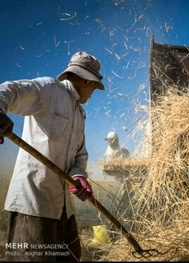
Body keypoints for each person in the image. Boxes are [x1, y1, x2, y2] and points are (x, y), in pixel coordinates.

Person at [0, 51, 105, 261]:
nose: (93, 92)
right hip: (34, 207)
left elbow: (79, 157)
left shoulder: (80, 114)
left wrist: (79, 176)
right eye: (93, 86)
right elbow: (10, 90)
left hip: (65, 211)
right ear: (86, 81)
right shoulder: (48, 89)